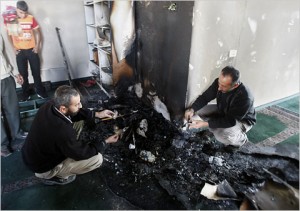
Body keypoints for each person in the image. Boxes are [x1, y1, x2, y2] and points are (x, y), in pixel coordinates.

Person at [21, 85, 119, 185]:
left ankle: (69, 147)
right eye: (77, 104)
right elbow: (80, 154)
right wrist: (105, 142)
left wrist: (97, 114)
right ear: (63, 109)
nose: (80, 106)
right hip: (42, 168)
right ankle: (55, 176)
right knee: (97, 159)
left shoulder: (50, 105)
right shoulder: (62, 130)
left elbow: (76, 113)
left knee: (79, 120)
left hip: (32, 155)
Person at [184, 66, 256, 147]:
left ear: (235, 85)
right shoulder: (220, 83)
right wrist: (192, 109)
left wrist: (205, 124)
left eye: (224, 86)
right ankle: (214, 130)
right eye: (219, 83)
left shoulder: (245, 97)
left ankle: (241, 140)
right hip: (224, 110)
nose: (219, 87)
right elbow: (205, 97)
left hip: (242, 120)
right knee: (200, 110)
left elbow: (230, 121)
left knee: (221, 136)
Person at [6, 1, 48, 101]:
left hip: (31, 50)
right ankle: (25, 94)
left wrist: (37, 46)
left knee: (36, 72)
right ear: (16, 9)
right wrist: (14, 48)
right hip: (20, 52)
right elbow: (9, 35)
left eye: (25, 12)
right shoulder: (12, 20)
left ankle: (40, 91)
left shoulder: (30, 18)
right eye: (21, 12)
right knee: (23, 74)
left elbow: (38, 32)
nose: (23, 15)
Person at [1, 33, 27, 157]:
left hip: (5, 77)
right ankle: (2, 144)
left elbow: (5, 53)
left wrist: (16, 73)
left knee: (12, 108)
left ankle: (16, 134)